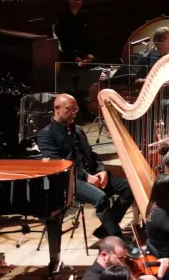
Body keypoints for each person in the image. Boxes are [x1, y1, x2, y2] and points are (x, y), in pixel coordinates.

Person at [36, 93, 132, 268]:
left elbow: (92, 154)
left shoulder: (78, 129)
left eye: (76, 109)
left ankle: (105, 230)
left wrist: (102, 170)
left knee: (129, 188)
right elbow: (58, 164)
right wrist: (86, 177)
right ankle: (118, 238)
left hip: (93, 175)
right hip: (71, 181)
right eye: (69, 109)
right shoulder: (46, 134)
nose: (74, 113)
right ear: (56, 108)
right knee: (101, 199)